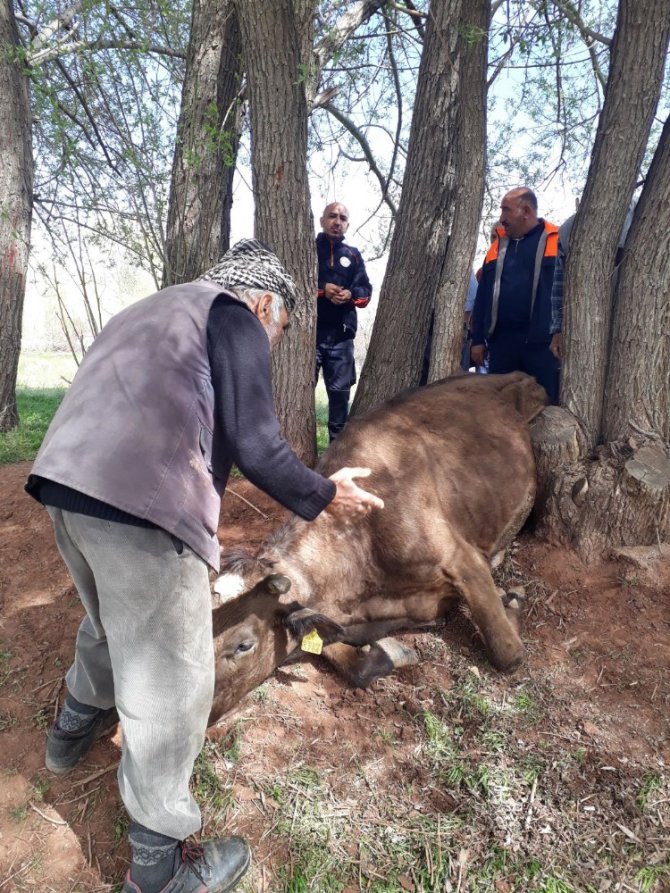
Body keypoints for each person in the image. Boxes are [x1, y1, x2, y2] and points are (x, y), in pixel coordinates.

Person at [25, 240, 384, 893]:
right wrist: (330, 495)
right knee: (173, 678)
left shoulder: (152, 309)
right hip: (140, 508)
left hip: (63, 484)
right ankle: (161, 869)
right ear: (267, 302)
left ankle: (70, 732)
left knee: (109, 620)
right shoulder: (233, 315)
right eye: (278, 331)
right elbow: (257, 442)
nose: (270, 344)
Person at [470, 188, 560, 404]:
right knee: (499, 406)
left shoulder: (556, 240)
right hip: (502, 345)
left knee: (546, 403)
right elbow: (482, 298)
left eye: (506, 211)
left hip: (542, 344)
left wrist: (560, 330)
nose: (501, 219)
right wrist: (477, 340)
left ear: (526, 211)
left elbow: (564, 292)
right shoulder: (496, 247)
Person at [548, 200, 636, 361]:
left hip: (636, 321)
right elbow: (559, 284)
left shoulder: (644, 215)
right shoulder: (569, 229)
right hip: (587, 324)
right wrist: (558, 328)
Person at [316, 202, 372, 440]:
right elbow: (293, 284)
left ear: (347, 224)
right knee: (296, 397)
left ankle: (334, 464)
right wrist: (322, 290)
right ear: (322, 220)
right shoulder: (308, 249)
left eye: (342, 218)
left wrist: (350, 294)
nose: (337, 222)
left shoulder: (353, 255)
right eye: (332, 216)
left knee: (340, 401)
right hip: (310, 336)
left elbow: (365, 291)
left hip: (341, 338)